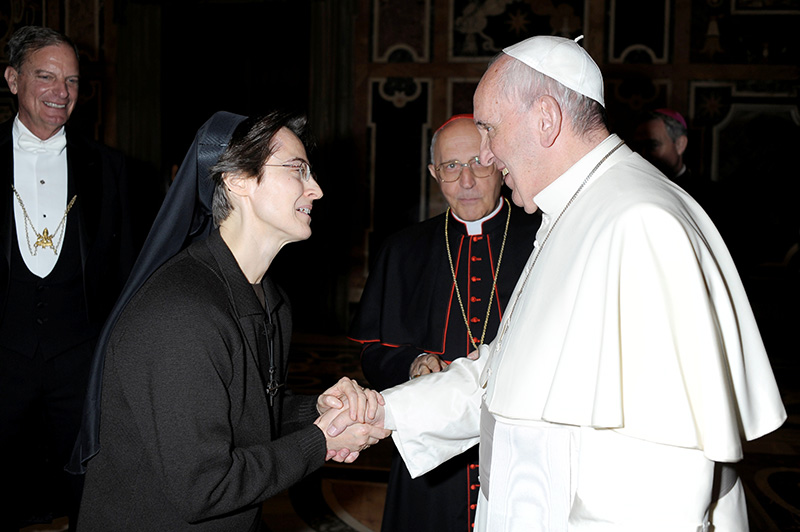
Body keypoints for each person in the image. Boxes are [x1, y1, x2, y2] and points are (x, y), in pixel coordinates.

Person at [333, 35, 787, 531]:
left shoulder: (638, 223)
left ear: (546, 119)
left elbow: (665, 482)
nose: (485, 154)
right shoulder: (574, 211)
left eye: (489, 128)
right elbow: (498, 376)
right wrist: (383, 412)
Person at [76, 111, 390, 531]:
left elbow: (246, 413)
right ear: (237, 180)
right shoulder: (181, 314)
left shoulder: (271, 300)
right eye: (297, 170)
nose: (315, 189)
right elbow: (204, 486)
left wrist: (313, 409)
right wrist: (321, 441)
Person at [349, 114, 540, 531]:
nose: (466, 180)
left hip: (521, 449)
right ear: (435, 173)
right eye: (452, 167)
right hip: (431, 459)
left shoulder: (544, 236)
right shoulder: (403, 250)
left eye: (478, 162)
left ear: (501, 164)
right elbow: (373, 352)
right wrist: (412, 363)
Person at [0, 26, 133, 530]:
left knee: (90, 493)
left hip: (80, 366)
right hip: (2, 362)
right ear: (13, 80)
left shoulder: (109, 168)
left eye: (73, 81)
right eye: (46, 76)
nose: (62, 92)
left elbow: (124, 273)